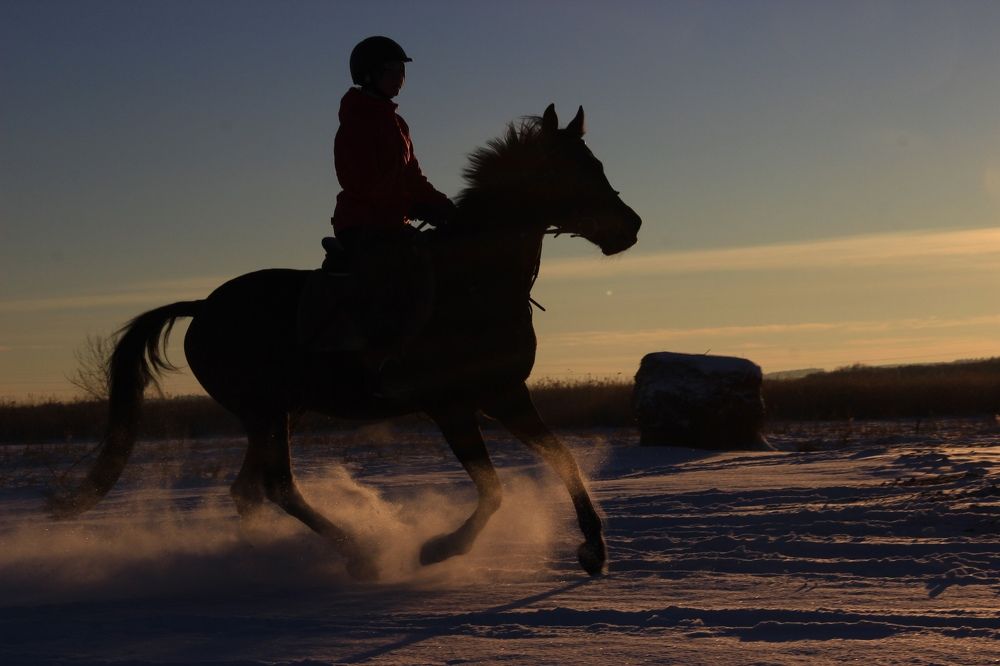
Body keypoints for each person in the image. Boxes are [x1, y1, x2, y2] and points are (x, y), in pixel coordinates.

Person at [330, 36, 456, 385]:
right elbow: (358, 181)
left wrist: (443, 206)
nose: (400, 78)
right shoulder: (356, 122)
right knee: (400, 275)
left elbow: (412, 176)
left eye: (402, 71)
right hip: (363, 225)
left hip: (393, 224)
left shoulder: (398, 125)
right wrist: (411, 205)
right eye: (393, 70)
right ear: (369, 75)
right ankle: (381, 360)